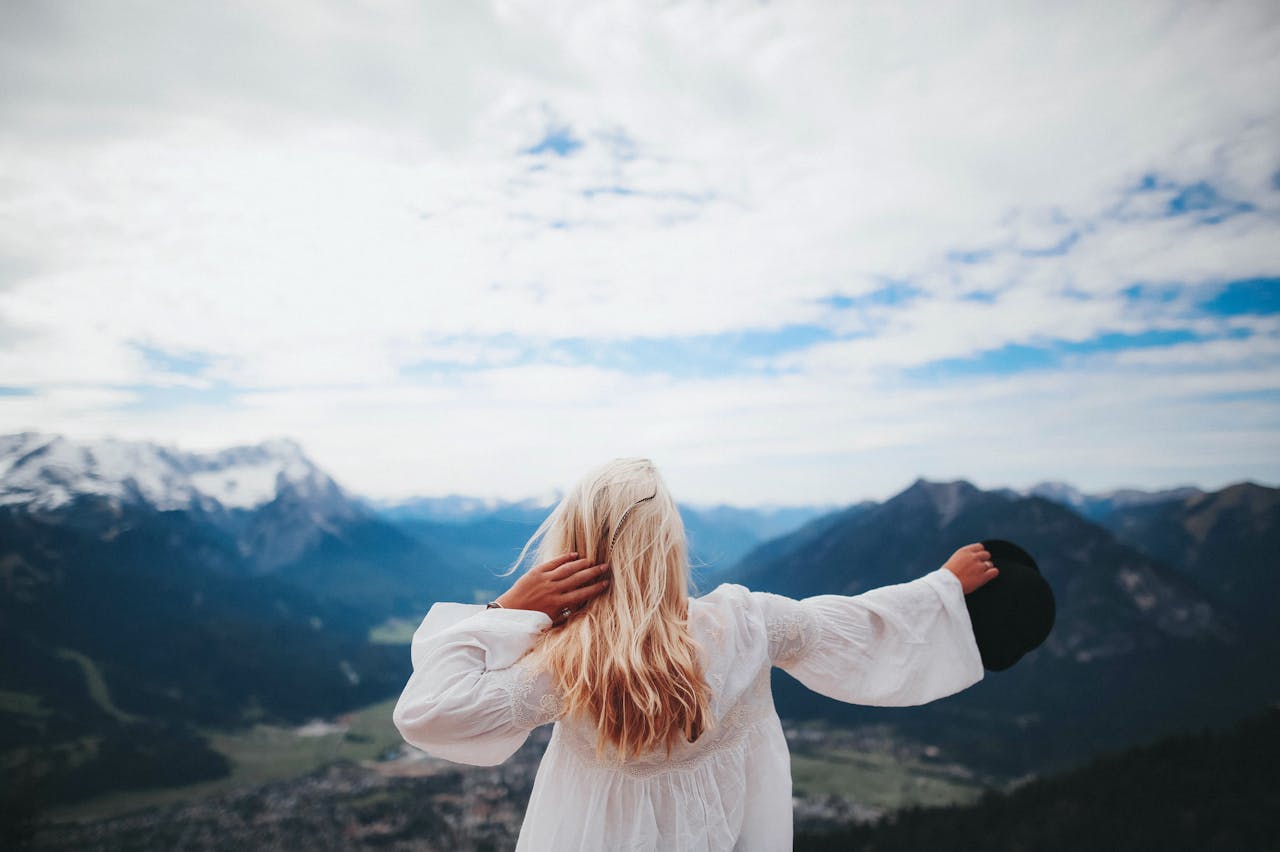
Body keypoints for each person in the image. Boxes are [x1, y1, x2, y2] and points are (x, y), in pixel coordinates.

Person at [392, 458, 997, 851]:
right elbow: (859, 627)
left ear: (573, 546)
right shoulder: (751, 624)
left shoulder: (566, 666)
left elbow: (429, 712)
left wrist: (509, 611)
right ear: (669, 543)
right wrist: (939, 589)